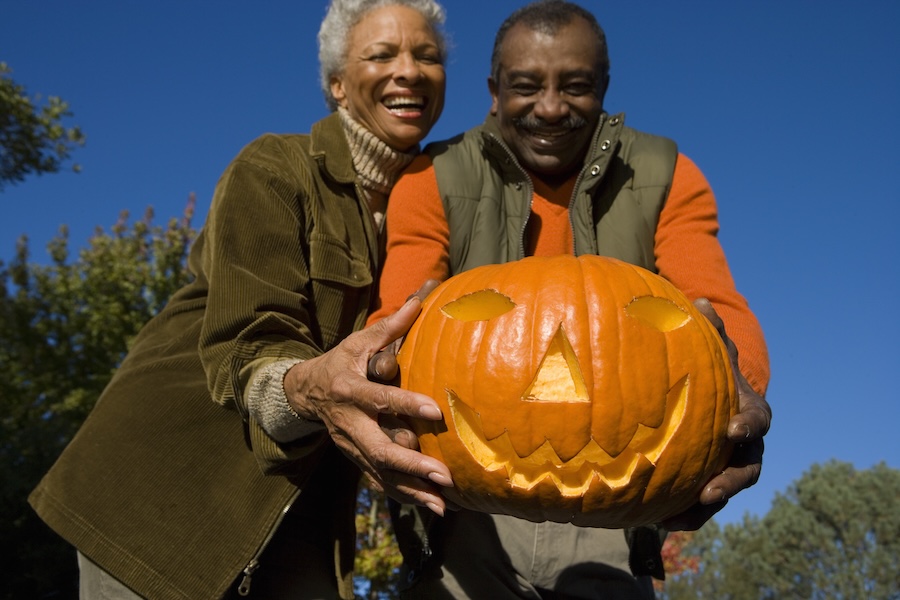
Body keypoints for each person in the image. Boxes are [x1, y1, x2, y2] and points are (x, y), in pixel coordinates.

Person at [28, 1, 453, 598]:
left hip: (303, 509)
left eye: (426, 55)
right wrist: (306, 387)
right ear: (336, 83)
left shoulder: (445, 205)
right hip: (164, 489)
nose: (408, 70)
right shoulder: (275, 167)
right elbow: (251, 345)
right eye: (381, 55)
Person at [368, 1, 772, 598]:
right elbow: (397, 313)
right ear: (494, 90)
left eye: (575, 87)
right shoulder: (432, 178)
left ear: (603, 88)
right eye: (526, 86)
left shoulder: (665, 173)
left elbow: (717, 307)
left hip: (616, 511)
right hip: (464, 509)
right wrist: (387, 375)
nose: (551, 107)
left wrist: (737, 400)